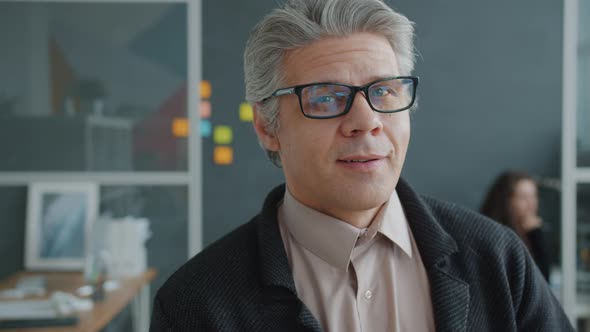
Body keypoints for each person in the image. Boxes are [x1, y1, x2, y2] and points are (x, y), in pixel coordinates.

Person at [150, 0, 573, 331]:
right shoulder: (197, 304)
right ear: (266, 126)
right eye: (326, 97)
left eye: (384, 91)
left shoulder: (497, 260)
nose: (366, 121)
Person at [480, 171, 551, 281]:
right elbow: (538, 279)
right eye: (523, 197)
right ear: (506, 201)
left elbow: (544, 282)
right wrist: (536, 234)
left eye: (534, 196)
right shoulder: (493, 234)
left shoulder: (530, 230)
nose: (531, 203)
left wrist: (536, 234)